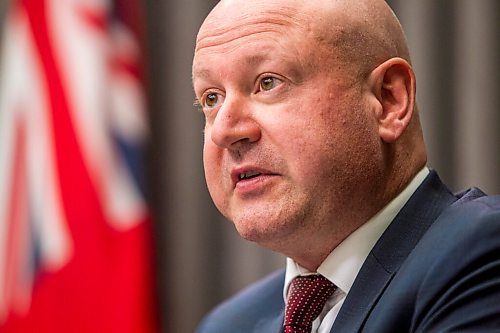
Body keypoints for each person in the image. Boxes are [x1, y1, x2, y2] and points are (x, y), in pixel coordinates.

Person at [191, 0, 500, 332]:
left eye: (268, 82)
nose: (224, 131)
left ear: (388, 100)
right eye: (212, 98)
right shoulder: (228, 325)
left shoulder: (481, 257)